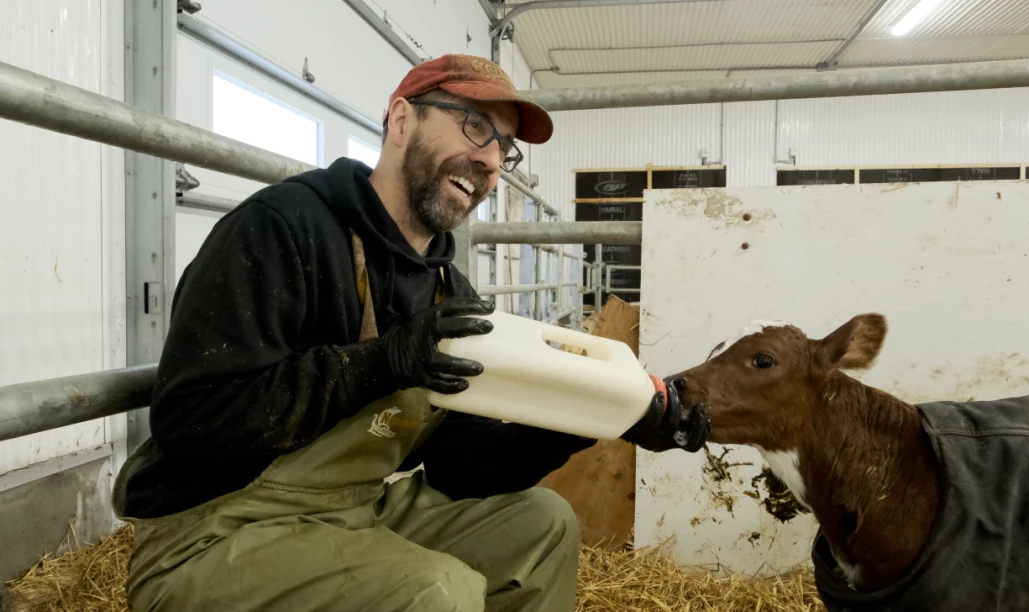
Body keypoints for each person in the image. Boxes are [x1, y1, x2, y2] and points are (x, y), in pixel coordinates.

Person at [111, 54, 711, 612]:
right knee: (435, 592)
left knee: (544, 524)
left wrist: (602, 420)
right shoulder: (283, 230)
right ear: (402, 119)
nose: (492, 161)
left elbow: (461, 469)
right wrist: (379, 364)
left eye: (505, 147)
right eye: (475, 126)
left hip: (352, 510)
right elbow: (191, 418)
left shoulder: (451, 293)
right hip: (213, 531)